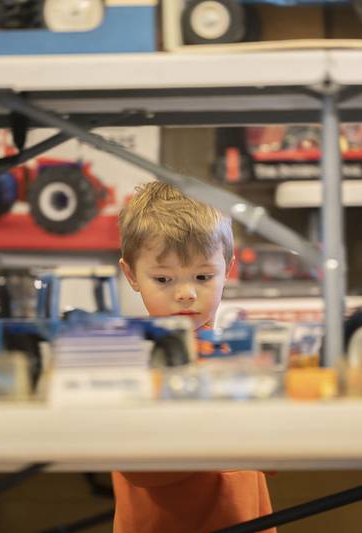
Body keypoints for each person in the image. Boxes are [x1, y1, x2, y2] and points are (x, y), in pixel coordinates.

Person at [114, 181, 274, 533]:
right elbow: (139, 468)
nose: (186, 294)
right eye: (164, 279)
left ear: (228, 270)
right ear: (131, 275)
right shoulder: (130, 364)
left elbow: (276, 453)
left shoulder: (240, 357)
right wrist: (235, 437)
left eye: (203, 276)